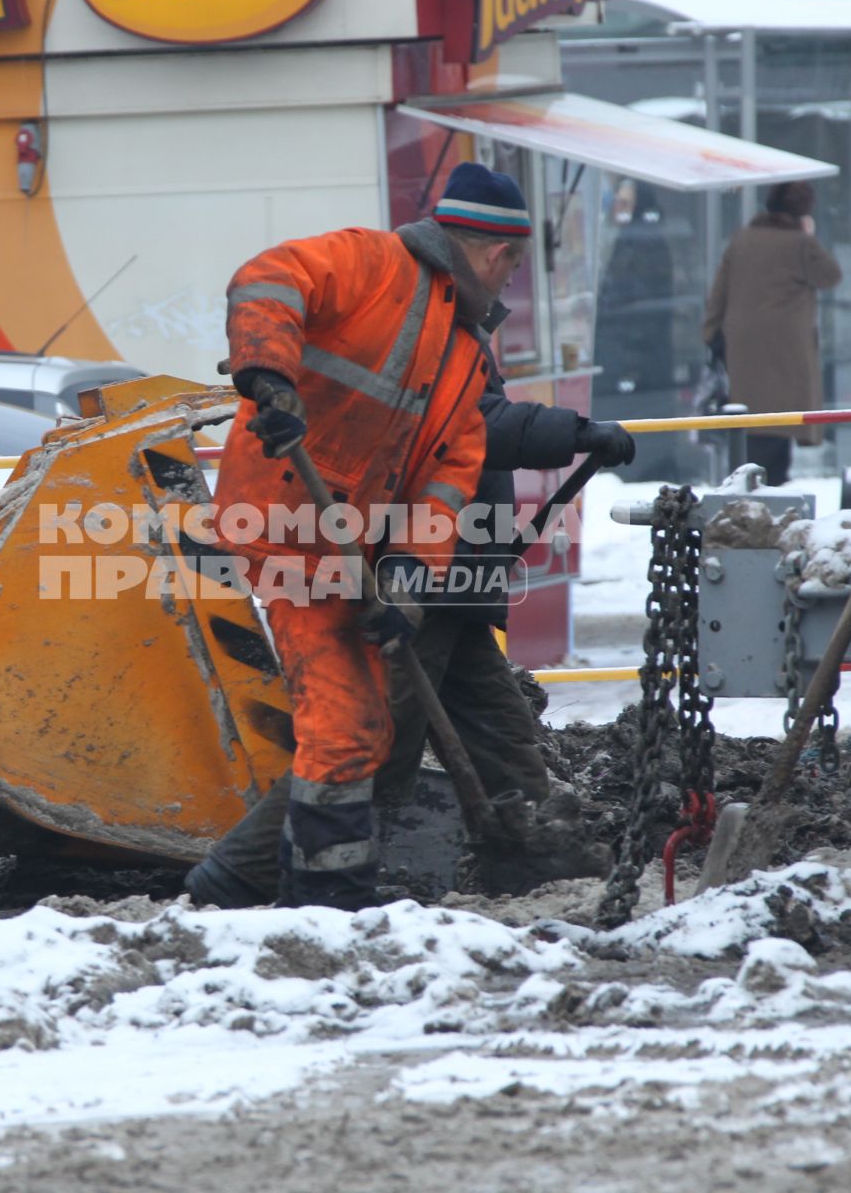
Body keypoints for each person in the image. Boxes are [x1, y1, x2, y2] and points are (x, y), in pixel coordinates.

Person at [186, 176, 638, 911]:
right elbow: (269, 279)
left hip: (357, 551)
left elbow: (449, 479)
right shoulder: (372, 263)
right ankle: (289, 890)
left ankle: (335, 896)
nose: (512, 279)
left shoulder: (460, 350)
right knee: (359, 727)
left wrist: (406, 584)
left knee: (372, 727)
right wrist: (268, 375)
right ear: (494, 251)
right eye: (513, 264)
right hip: (283, 522)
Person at [700, 181, 842, 484]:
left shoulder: (742, 240)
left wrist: (711, 334)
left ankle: (748, 484)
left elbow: (719, 292)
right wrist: (808, 235)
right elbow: (830, 275)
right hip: (787, 349)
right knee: (779, 419)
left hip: (743, 348)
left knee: (753, 419)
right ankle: (769, 489)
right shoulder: (800, 244)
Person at [594, 179, 676, 399]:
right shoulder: (622, 237)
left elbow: (639, 298)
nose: (618, 209)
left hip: (638, 355)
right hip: (627, 349)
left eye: (626, 203)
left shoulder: (645, 241)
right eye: (617, 202)